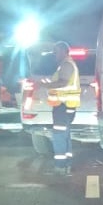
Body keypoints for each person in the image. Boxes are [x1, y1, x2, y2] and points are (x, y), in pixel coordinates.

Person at [38, 41, 81, 175]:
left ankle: (60, 167)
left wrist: (45, 85)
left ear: (63, 51)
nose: (54, 54)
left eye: (56, 51)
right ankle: (67, 164)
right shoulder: (66, 65)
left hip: (63, 106)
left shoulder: (66, 65)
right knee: (64, 136)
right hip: (66, 106)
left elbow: (62, 82)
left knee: (59, 136)